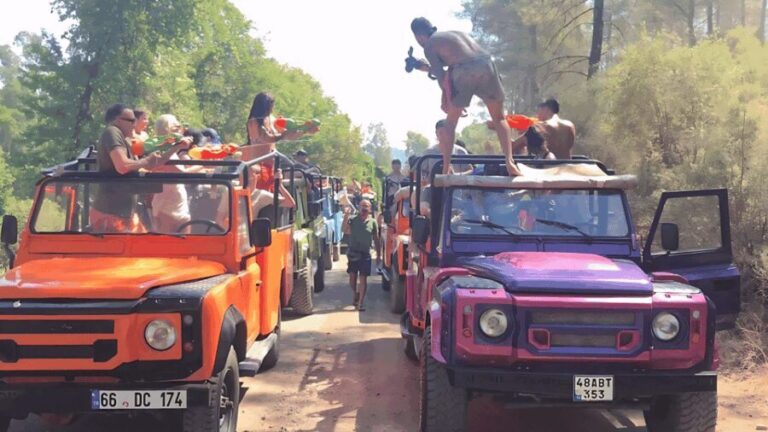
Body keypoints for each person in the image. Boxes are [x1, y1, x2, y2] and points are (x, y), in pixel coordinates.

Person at [410, 17, 521, 177]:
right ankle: (510, 162)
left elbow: (443, 76)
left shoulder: (429, 45)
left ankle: (446, 168)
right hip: (487, 64)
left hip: (464, 71)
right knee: (499, 118)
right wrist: (427, 68)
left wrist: (449, 99)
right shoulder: (455, 35)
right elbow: (459, 59)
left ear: (419, 37)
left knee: (450, 124)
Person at [91, 104, 188, 233]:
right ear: (117, 120)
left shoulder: (124, 139)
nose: (134, 123)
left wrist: (177, 145)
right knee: (140, 250)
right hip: (110, 213)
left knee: (144, 247)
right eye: (131, 120)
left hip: (122, 213)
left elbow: (152, 154)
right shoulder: (112, 132)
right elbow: (122, 166)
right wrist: (146, 161)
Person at [150, 114, 197, 233]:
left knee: (186, 246)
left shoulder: (172, 150)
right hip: (166, 208)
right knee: (166, 247)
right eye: (175, 126)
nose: (179, 128)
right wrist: (204, 165)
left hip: (180, 205)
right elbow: (182, 174)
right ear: (167, 129)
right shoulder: (160, 149)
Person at [342, 199, 380, 311]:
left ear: (370, 209)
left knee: (363, 279)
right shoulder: (353, 220)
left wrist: (379, 255)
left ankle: (361, 303)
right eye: (362, 205)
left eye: (366, 206)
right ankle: (356, 293)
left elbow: (376, 239)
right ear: (358, 208)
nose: (364, 208)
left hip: (366, 255)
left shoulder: (373, 222)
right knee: (352, 279)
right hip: (353, 253)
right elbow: (344, 229)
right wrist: (346, 216)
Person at [511, 98, 575, 159]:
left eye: (538, 110)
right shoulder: (570, 125)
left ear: (546, 110)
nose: (537, 114)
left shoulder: (539, 127)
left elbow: (513, 147)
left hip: (549, 168)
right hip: (567, 167)